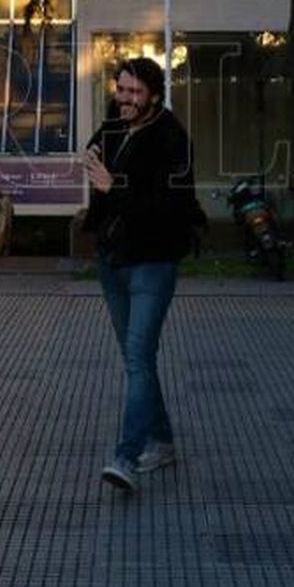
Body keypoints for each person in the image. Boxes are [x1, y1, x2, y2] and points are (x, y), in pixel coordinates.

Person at [83, 57, 206, 493]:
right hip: (113, 261)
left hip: (153, 261)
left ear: (153, 94)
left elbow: (171, 206)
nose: (125, 99)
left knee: (138, 356)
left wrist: (112, 187)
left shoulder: (171, 138)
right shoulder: (115, 126)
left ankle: (127, 455)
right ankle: (163, 442)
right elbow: (95, 154)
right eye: (121, 90)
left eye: (134, 92)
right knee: (138, 360)